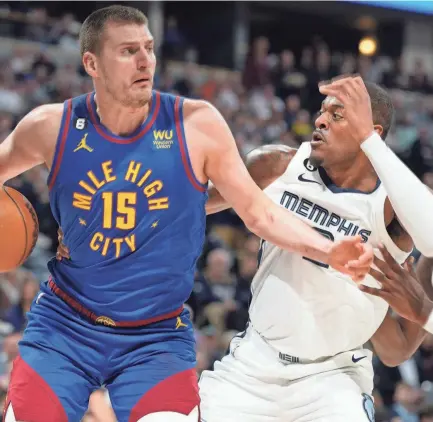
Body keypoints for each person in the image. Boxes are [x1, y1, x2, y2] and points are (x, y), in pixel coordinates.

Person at [0, 7, 372, 422]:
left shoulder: (196, 124)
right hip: (65, 325)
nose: (145, 62)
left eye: (149, 49)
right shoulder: (52, 126)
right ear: (92, 63)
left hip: (154, 337)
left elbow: (259, 212)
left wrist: (328, 250)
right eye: (128, 51)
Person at [198, 77, 433, 422]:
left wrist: (422, 309)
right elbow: (187, 204)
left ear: (372, 132)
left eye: (338, 116)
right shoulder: (276, 165)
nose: (320, 121)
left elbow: (398, 346)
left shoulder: (394, 206)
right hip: (252, 366)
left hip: (332, 379)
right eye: (322, 112)